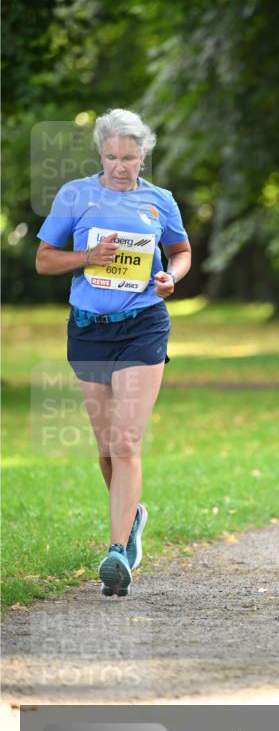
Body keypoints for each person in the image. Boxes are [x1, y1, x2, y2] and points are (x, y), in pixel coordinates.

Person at [35, 108, 191, 597]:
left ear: (143, 154)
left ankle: (118, 550)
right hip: (88, 330)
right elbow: (43, 261)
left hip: (143, 326)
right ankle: (135, 514)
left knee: (125, 443)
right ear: (100, 154)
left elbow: (181, 251)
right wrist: (86, 257)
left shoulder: (159, 201)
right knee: (105, 449)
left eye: (129, 157)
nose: (120, 167)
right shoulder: (75, 195)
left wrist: (172, 277)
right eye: (111, 157)